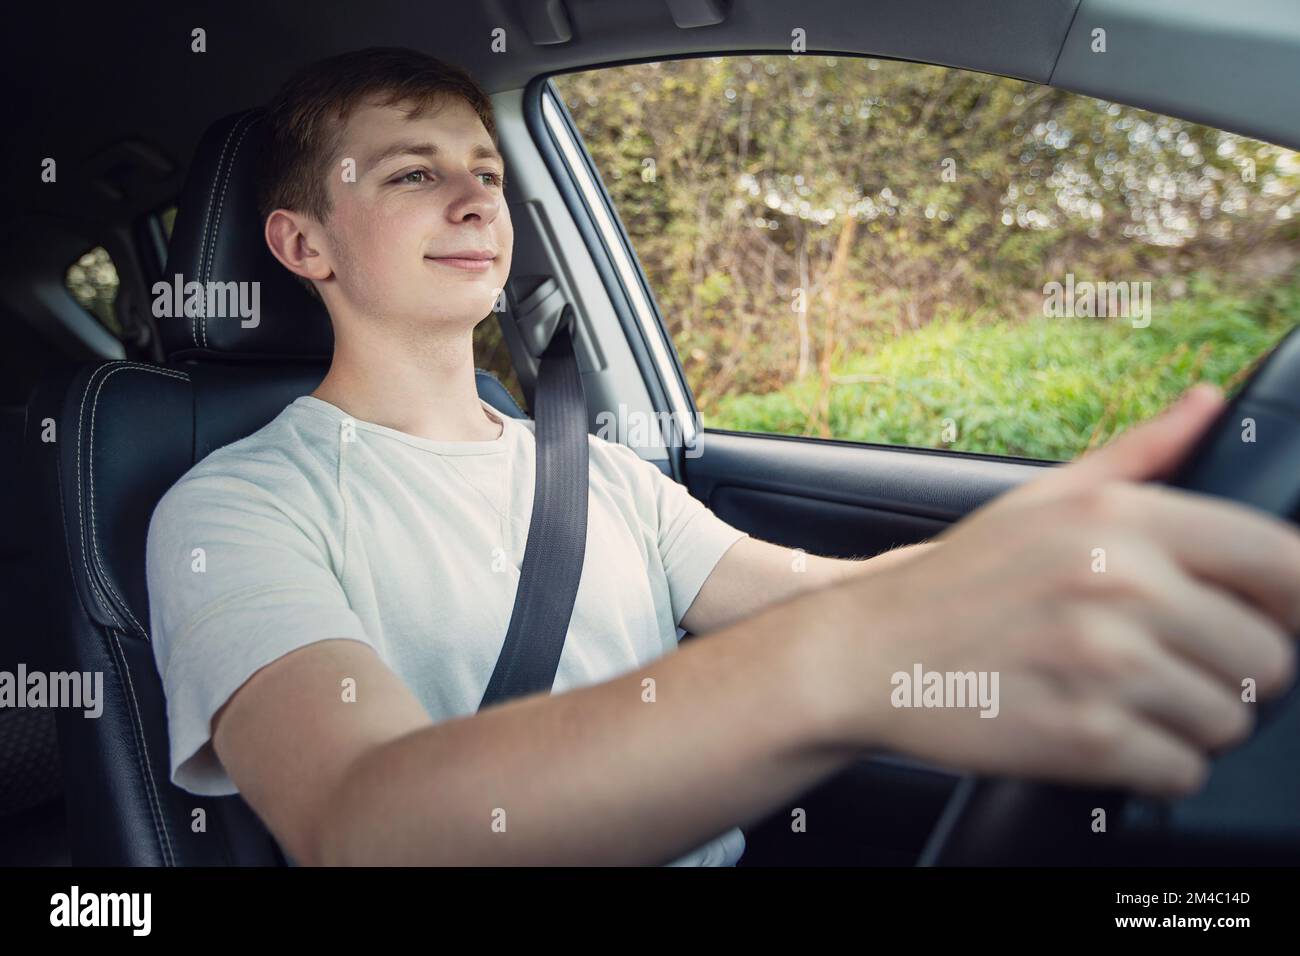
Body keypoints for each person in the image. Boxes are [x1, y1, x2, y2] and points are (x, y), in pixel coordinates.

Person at [145, 47, 1299, 866]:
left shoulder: (594, 472)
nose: (474, 199)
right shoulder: (234, 510)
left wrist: (1056, 550)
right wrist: (844, 662)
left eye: (487, 174)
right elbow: (364, 824)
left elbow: (806, 589)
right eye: (411, 173)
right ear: (301, 242)